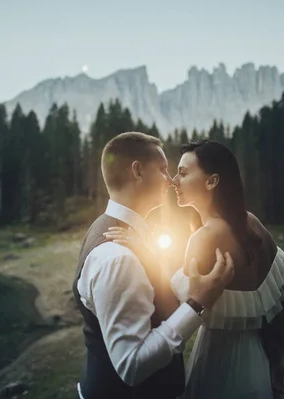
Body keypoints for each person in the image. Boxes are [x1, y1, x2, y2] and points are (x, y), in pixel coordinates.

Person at [105, 140, 284, 399]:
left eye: (183, 173)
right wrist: (275, 356)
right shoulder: (251, 222)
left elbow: (177, 304)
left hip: (222, 362)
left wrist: (144, 253)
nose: (173, 181)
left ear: (211, 181)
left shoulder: (204, 238)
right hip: (261, 354)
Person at [72, 132, 235, 399]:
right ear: (137, 171)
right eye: (162, 170)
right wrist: (196, 304)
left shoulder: (106, 228)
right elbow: (132, 366)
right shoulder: (118, 258)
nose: (171, 180)